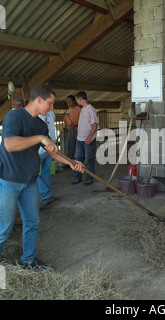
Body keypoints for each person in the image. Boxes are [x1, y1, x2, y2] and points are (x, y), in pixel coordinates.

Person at [0, 85, 84, 270]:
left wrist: (71, 162)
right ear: (39, 99)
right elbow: (10, 144)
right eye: (50, 103)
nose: (52, 108)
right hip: (10, 181)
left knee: (32, 222)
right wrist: (40, 138)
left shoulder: (40, 124)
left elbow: (52, 151)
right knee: (4, 228)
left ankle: (28, 260)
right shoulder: (15, 116)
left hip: (29, 181)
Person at [72, 91, 98, 186]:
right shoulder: (83, 109)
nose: (76, 102)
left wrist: (89, 137)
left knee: (89, 159)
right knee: (78, 159)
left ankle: (89, 177)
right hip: (80, 138)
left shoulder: (90, 109)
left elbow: (95, 124)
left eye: (76, 100)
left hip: (88, 139)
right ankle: (77, 176)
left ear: (80, 99)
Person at [38, 108, 56, 210]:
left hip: (41, 149)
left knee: (32, 173)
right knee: (45, 171)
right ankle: (48, 195)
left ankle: (46, 195)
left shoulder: (38, 115)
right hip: (51, 146)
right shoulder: (52, 113)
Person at [63, 95, 81, 167]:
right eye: (67, 102)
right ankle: (68, 163)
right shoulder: (69, 110)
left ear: (74, 101)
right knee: (69, 146)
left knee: (78, 148)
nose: (68, 103)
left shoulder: (79, 109)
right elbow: (69, 121)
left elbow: (82, 121)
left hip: (78, 130)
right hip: (72, 129)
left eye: (70, 101)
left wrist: (75, 125)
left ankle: (78, 163)